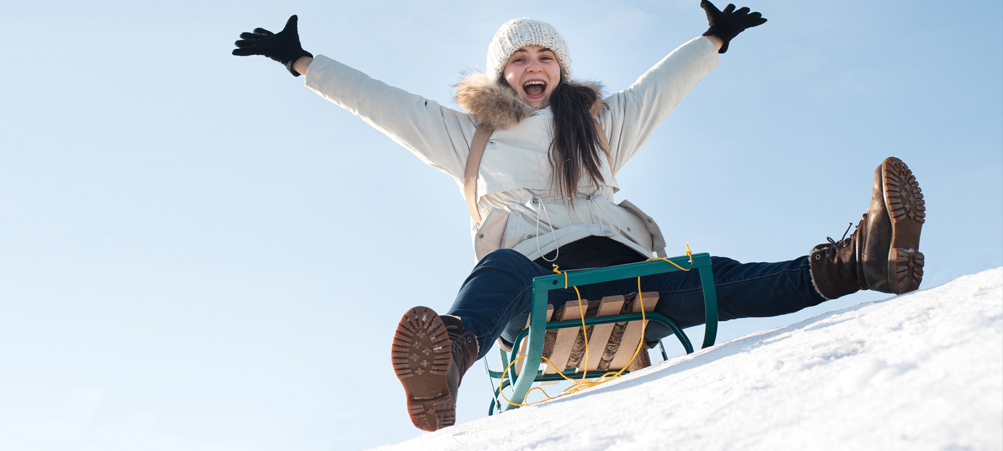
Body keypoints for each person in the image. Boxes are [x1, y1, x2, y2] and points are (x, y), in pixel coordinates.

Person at [233, 2, 926, 432]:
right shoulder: (467, 133)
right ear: (500, 74)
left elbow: (659, 90)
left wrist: (710, 42)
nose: (533, 66)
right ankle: (449, 359)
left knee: (713, 275)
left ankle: (864, 261)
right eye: (519, 59)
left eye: (545, 57)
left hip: (622, 282)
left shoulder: (596, 127)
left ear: (560, 68)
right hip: (530, 293)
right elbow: (381, 103)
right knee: (499, 264)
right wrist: (302, 61)